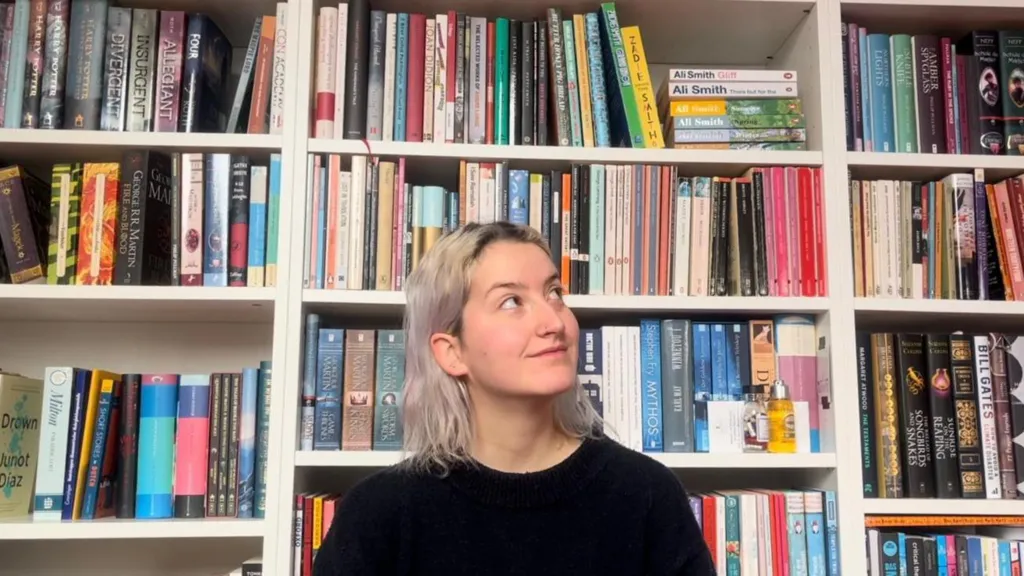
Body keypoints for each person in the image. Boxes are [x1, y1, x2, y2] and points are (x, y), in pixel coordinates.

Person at [313, 221, 715, 576]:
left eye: (554, 292)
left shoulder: (647, 494)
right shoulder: (379, 515)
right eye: (511, 301)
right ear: (451, 352)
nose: (554, 322)